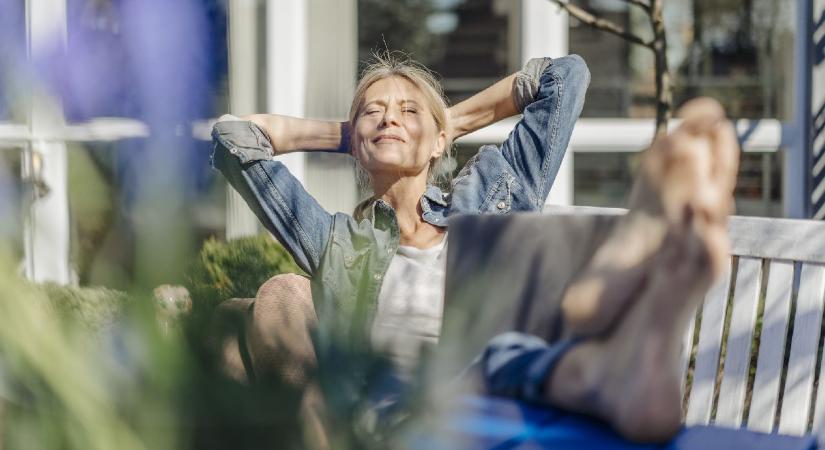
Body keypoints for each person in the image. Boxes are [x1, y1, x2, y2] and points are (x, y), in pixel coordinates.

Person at [210, 50, 739, 446]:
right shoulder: (335, 239)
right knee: (498, 356)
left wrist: (450, 122)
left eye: (407, 111)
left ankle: (618, 356)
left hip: (498, 396)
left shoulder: (490, 197)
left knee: (505, 352)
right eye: (373, 112)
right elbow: (235, 138)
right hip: (396, 415)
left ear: (441, 142)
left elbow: (566, 77)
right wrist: (359, 134)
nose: (389, 118)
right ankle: (608, 351)